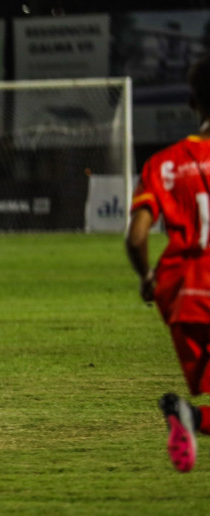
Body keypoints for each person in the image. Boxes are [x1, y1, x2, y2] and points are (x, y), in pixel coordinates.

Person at [126, 54, 210, 472]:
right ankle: (192, 417)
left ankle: (191, 417)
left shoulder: (165, 163)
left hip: (185, 298)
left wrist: (146, 278)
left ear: (194, 103)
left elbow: (137, 236)